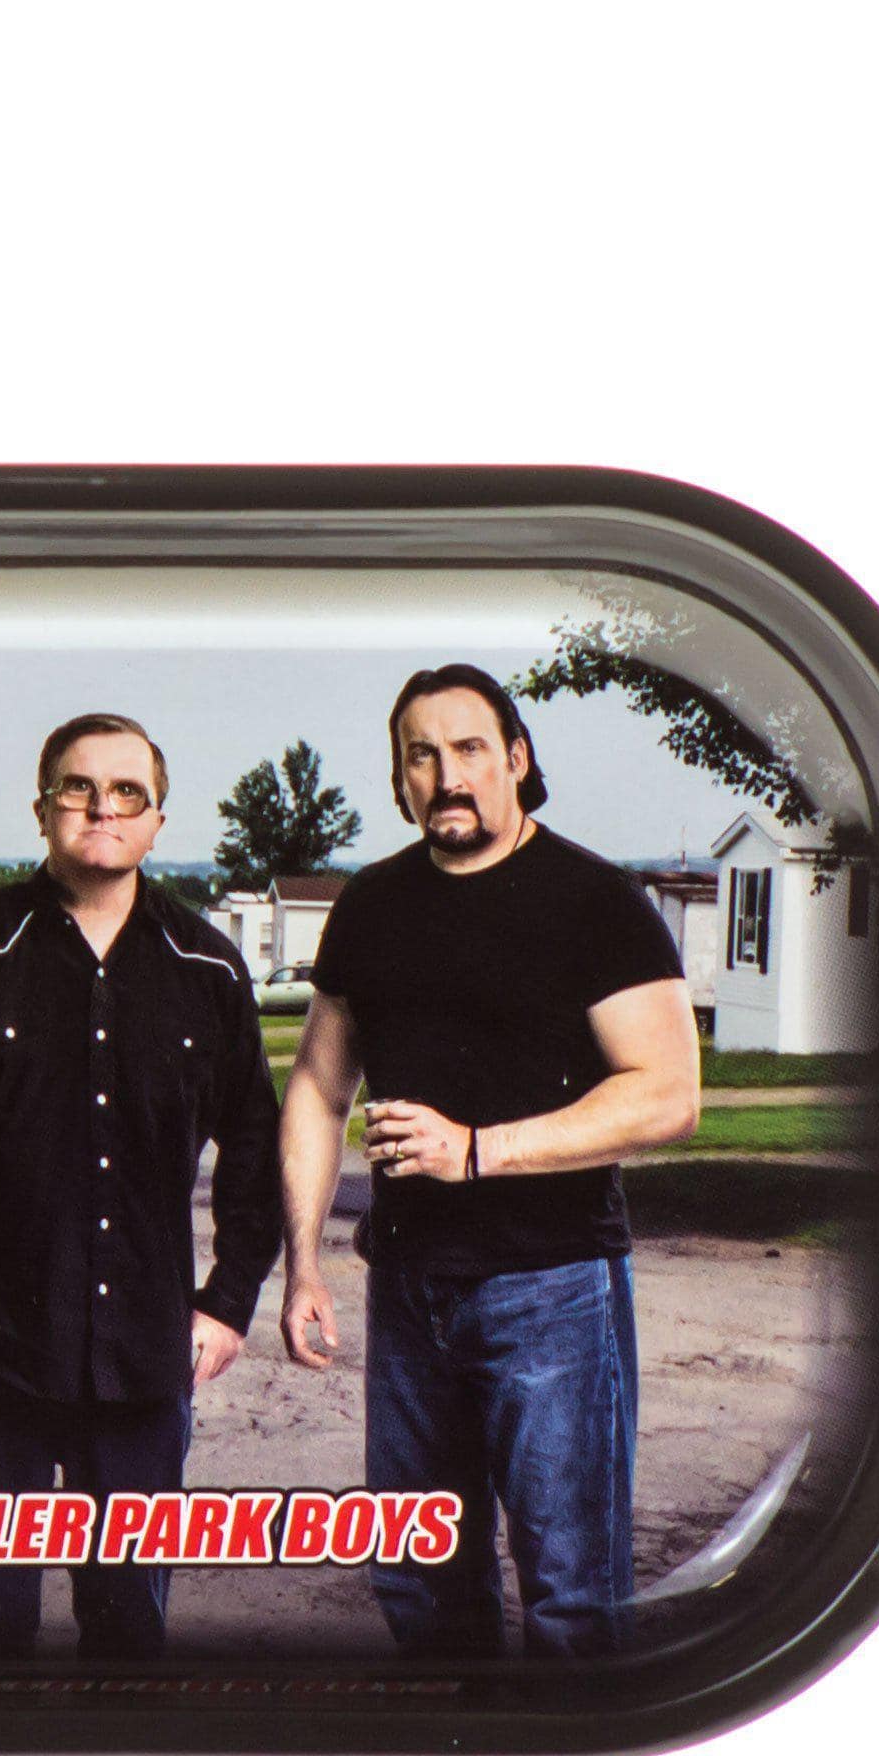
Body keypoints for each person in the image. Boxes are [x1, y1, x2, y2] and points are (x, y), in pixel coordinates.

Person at [279, 663, 699, 1657]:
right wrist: (302, 1259)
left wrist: (476, 1151)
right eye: (418, 756)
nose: (446, 774)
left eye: (469, 749)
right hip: (409, 1290)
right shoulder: (371, 904)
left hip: (551, 1287)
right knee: (419, 1584)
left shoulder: (594, 900)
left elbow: (668, 1094)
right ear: (397, 782)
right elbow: (315, 1087)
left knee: (568, 1596)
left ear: (516, 760)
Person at [0, 713, 283, 1660]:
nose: (102, 807)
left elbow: (254, 1146)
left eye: (127, 790)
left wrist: (228, 1299)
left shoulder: (208, 968)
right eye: (78, 787)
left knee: (130, 1630)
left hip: (143, 1360)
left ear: (158, 819)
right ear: (42, 806)